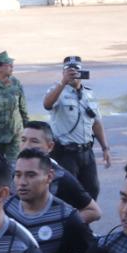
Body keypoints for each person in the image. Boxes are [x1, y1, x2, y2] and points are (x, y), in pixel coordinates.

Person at [42, 55, 110, 199]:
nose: (73, 73)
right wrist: (63, 83)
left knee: (92, 190)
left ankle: (84, 220)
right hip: (66, 154)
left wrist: (105, 148)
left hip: (86, 152)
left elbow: (96, 122)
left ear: (81, 72)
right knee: (67, 192)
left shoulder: (89, 94)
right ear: (63, 73)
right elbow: (47, 104)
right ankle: (69, 220)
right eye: (68, 70)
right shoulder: (57, 91)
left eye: (76, 70)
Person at [19, 121, 102, 222]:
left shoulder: (60, 177)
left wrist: (58, 226)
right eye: (23, 140)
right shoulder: (13, 171)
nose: (26, 146)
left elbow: (94, 212)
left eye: (34, 141)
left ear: (50, 147)